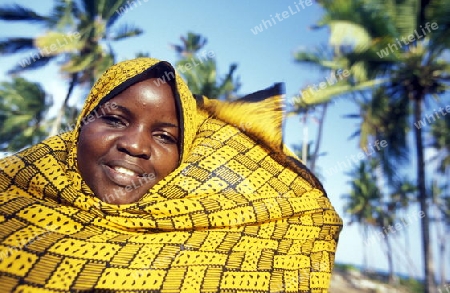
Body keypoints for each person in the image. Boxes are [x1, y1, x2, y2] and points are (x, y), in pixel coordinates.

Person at [0, 57, 343, 292]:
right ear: (81, 125)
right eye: (115, 119)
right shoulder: (12, 193)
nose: (135, 145)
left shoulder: (194, 249)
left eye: (165, 137)